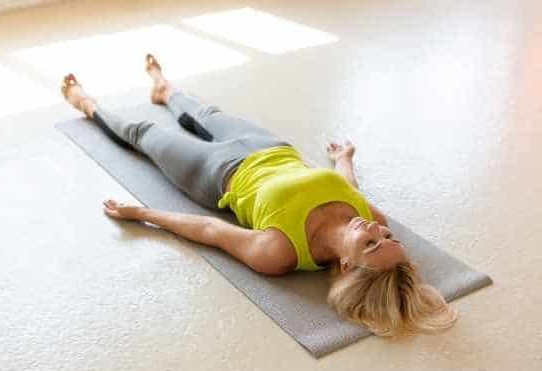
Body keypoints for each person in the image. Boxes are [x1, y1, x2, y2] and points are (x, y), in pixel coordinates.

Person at [61, 54, 457, 337]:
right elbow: (350, 190)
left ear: (347, 266)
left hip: (215, 172)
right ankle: (165, 90)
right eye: (388, 238)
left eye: (370, 243)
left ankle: (88, 104)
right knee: (204, 112)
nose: (375, 228)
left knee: (143, 135)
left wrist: (143, 214)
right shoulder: (372, 220)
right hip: (271, 147)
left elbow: (210, 231)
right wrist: (344, 158)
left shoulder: (282, 253)